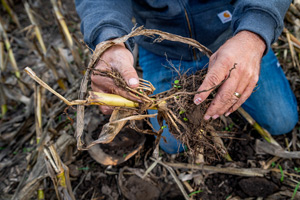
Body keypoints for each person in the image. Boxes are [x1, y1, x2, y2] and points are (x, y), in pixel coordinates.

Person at [75, 0, 298, 154]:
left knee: (282, 121)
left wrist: (254, 35)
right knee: (172, 143)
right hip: (162, 48)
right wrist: (109, 41)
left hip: (232, 35)